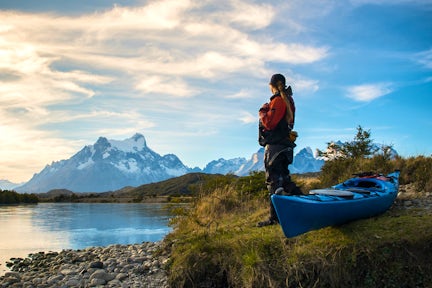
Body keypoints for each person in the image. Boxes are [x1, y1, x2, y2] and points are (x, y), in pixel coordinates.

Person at [257, 73, 302, 227]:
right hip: (285, 146)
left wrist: (263, 111)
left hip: (275, 147)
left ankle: (274, 218)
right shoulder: (289, 100)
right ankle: (304, 204)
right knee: (285, 180)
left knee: (274, 181)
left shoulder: (278, 101)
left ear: (273, 85)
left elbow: (269, 123)